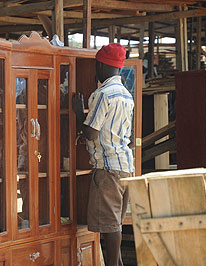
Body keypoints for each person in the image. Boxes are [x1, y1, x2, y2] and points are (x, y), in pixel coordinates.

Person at [72, 43, 134, 266]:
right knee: (115, 222)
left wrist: (79, 113)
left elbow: (90, 133)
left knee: (110, 226)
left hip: (107, 166)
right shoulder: (127, 95)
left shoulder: (102, 94)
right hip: (126, 166)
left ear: (100, 64)